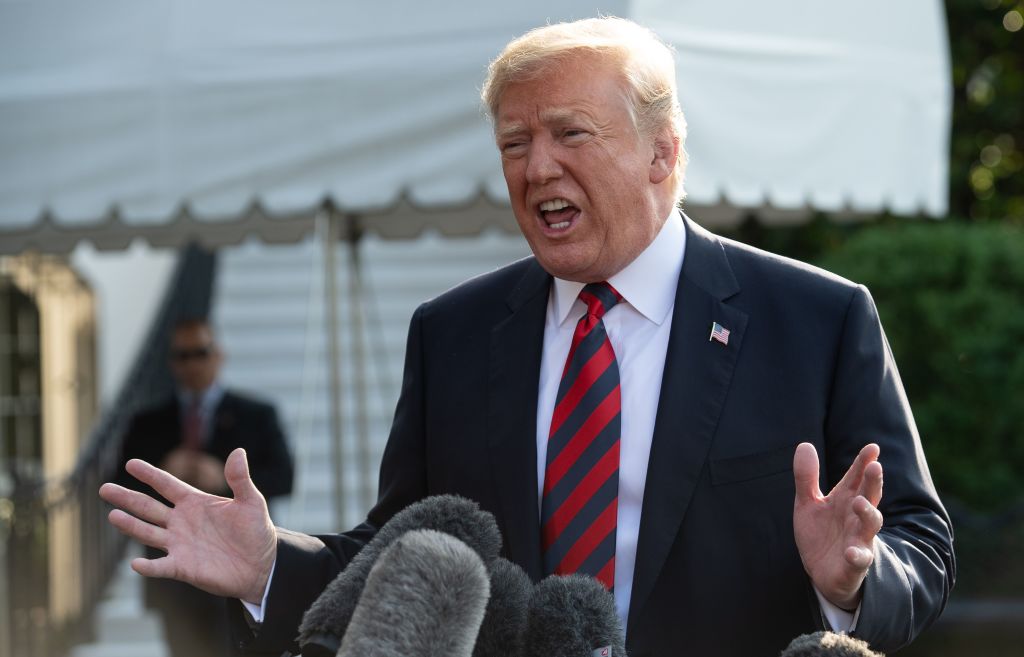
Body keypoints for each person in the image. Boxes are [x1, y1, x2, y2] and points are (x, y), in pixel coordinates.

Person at [100, 18, 954, 657]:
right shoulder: (455, 334)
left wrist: (854, 579)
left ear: (663, 152)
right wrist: (268, 564)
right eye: (515, 142)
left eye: (569, 133)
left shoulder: (815, 318)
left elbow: (920, 543)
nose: (535, 166)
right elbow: (409, 549)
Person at [115, 318, 294, 657]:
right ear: (172, 363)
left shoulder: (257, 415)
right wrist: (163, 472)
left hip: (240, 560)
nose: (192, 363)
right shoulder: (146, 423)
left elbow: (284, 477)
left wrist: (224, 480)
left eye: (200, 352)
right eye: (183, 356)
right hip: (175, 569)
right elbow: (119, 486)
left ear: (218, 355)